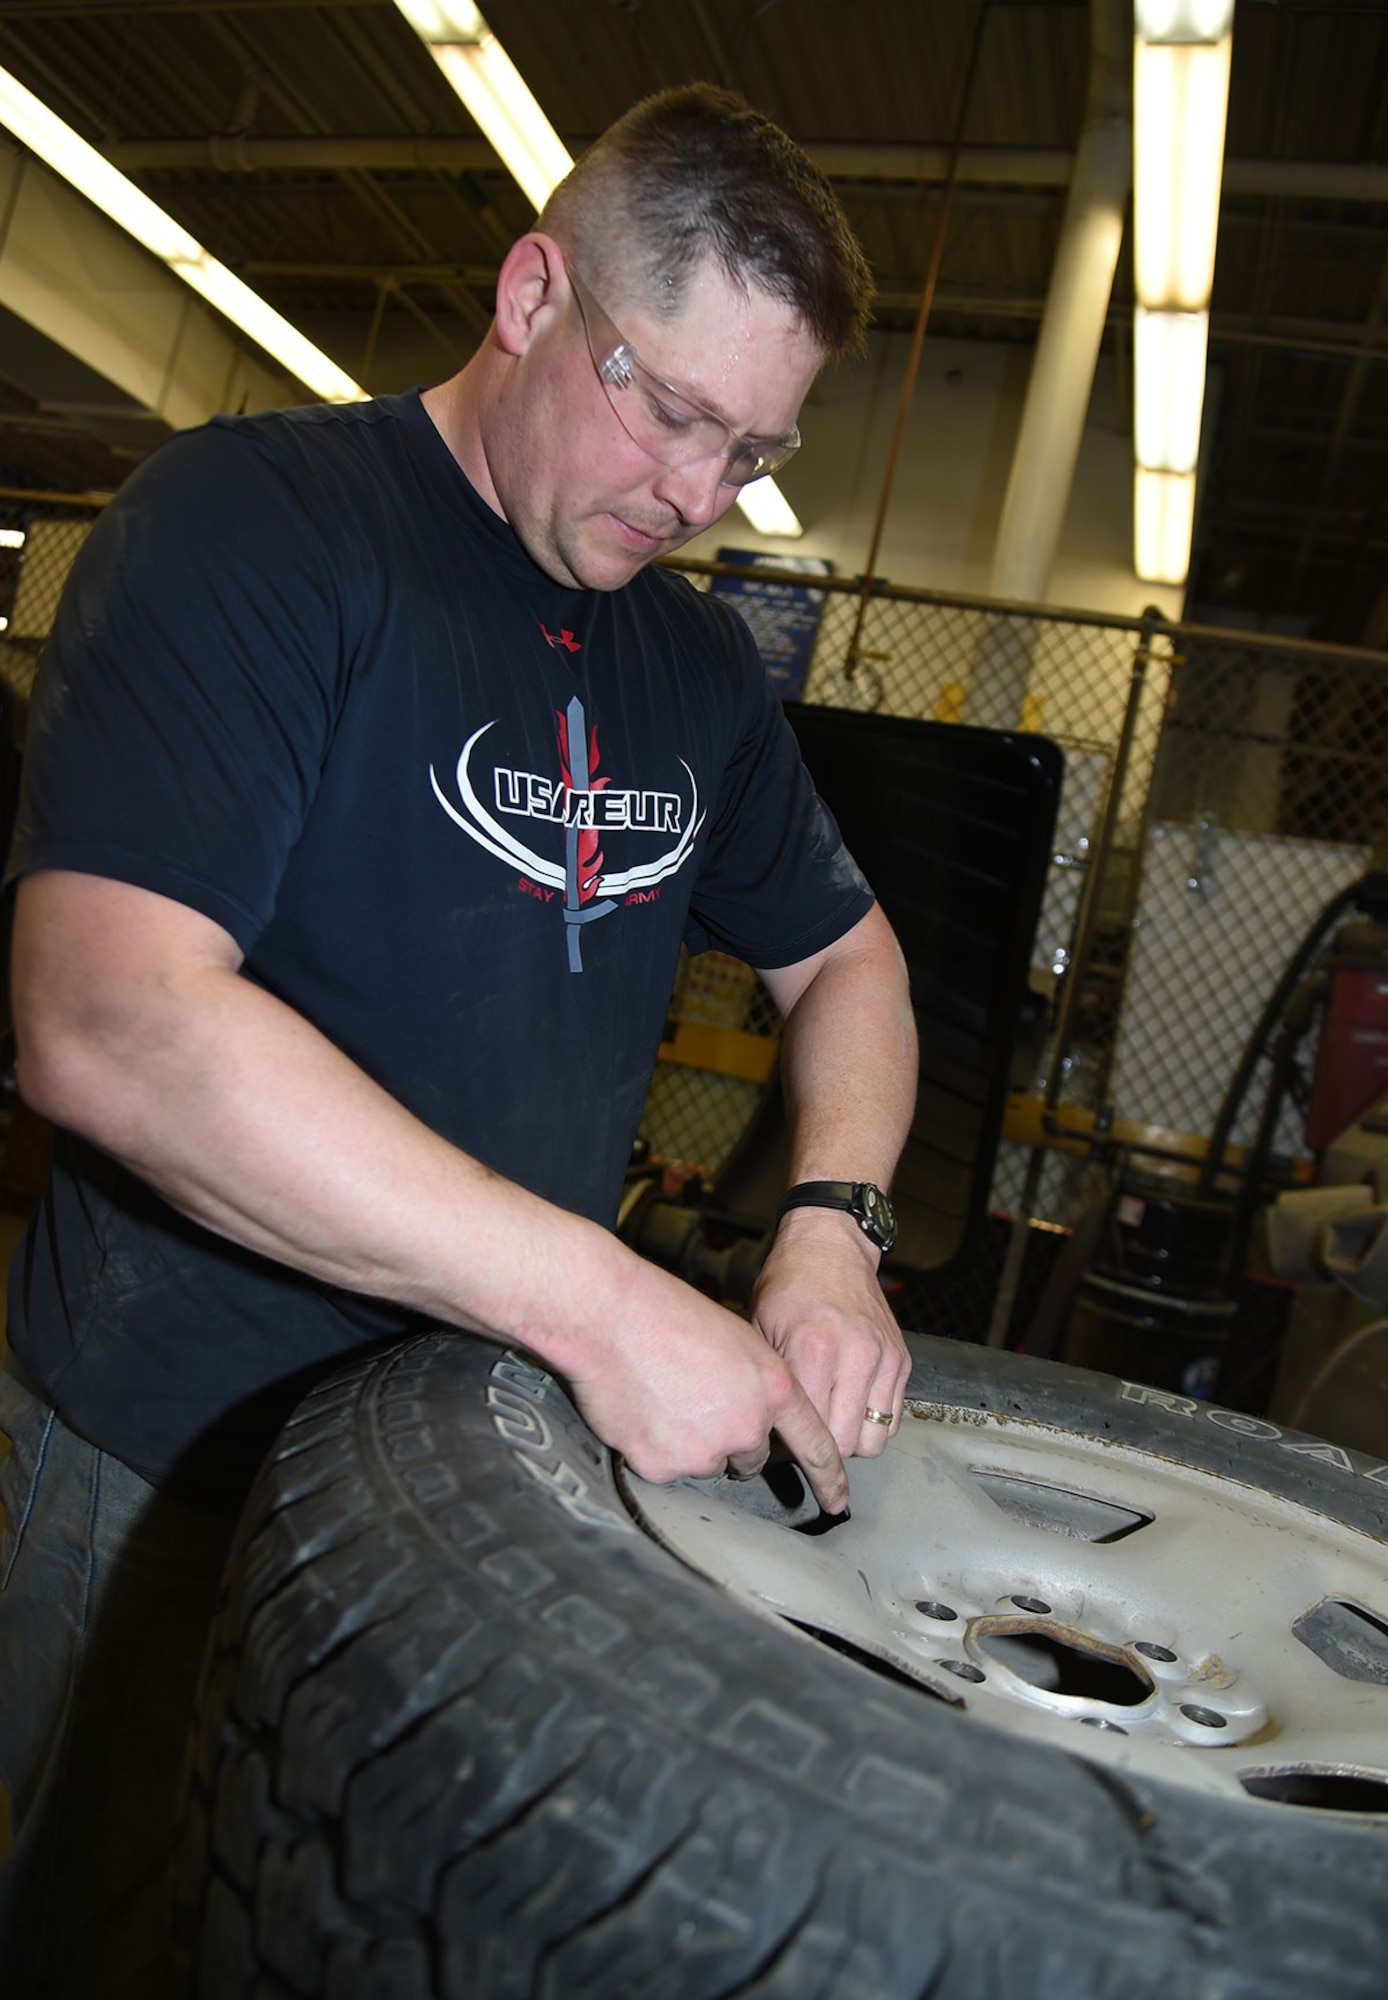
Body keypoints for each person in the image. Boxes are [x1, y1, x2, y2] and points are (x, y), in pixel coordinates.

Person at [0, 82, 918, 1996]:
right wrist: (602, 1301)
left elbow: (851, 963)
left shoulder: (691, 667)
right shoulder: (257, 529)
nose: (694, 493)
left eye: (749, 451)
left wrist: (829, 1225)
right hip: (161, 1468)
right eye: (665, 408)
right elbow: (111, 1022)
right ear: (529, 294)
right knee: (77, 1921)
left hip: (478, 1479)